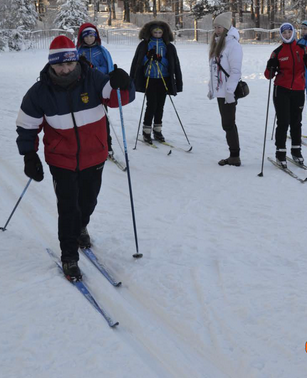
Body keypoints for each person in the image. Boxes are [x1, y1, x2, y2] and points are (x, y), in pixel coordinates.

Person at [16, 35, 133, 281]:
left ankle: (82, 227)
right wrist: (29, 155)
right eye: (59, 65)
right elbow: (27, 125)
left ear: (75, 60)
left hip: (95, 155)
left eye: (69, 63)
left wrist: (124, 83)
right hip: (61, 160)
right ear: (51, 65)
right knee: (68, 208)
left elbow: (119, 98)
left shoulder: (93, 78)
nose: (65, 69)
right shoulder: (39, 92)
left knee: (88, 202)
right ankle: (69, 255)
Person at [264, 23, 307, 168]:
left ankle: (296, 150)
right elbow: (268, 76)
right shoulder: (277, 52)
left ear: (293, 33)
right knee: (283, 122)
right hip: (281, 90)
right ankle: (280, 152)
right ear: (281, 35)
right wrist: (271, 65)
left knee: (296, 122)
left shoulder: (303, 49)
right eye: (284, 33)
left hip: (298, 90)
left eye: (289, 32)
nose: (287, 35)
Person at [130, 20, 183, 144]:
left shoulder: (168, 46)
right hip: (150, 78)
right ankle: (146, 131)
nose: (157, 34)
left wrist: (160, 59)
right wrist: (147, 57)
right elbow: (139, 63)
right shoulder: (145, 44)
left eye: (160, 32)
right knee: (151, 105)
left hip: (163, 79)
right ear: (150, 32)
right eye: (155, 32)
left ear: (164, 33)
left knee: (160, 106)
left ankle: (157, 130)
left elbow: (171, 64)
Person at [207, 12, 243, 166]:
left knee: (228, 124)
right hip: (220, 91)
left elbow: (235, 71)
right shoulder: (217, 44)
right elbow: (214, 69)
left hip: (229, 92)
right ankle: (233, 155)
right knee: (226, 124)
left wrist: (229, 92)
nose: (217, 30)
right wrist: (211, 88)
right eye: (215, 27)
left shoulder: (233, 45)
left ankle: (234, 156)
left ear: (227, 28)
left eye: (220, 27)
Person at [76, 23, 116, 158]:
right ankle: (87, 145)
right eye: (86, 37)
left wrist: (93, 69)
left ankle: (107, 145)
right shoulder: (78, 52)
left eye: (91, 36)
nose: (89, 39)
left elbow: (108, 69)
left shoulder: (102, 51)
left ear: (96, 36)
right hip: (83, 90)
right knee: (85, 119)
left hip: (100, 89)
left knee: (103, 118)